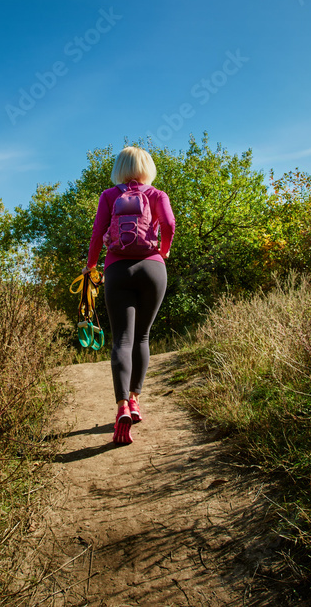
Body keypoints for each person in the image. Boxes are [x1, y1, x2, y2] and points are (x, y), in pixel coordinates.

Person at [83, 146, 176, 445]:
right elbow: (170, 225)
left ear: (119, 168)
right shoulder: (157, 194)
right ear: (147, 166)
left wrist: (91, 266)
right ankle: (135, 399)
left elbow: (97, 234)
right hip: (152, 268)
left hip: (117, 268)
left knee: (122, 339)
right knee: (143, 338)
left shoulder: (109, 195)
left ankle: (121, 406)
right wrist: (163, 251)